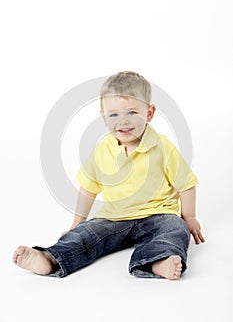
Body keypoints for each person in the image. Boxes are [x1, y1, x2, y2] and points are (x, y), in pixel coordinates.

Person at [13, 71, 205, 280]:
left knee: (175, 229)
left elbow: (186, 184)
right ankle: (50, 258)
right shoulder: (102, 150)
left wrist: (189, 217)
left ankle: (157, 260)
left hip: (158, 214)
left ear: (149, 114)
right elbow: (89, 188)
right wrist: (78, 221)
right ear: (103, 117)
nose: (123, 121)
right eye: (113, 114)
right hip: (114, 218)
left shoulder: (162, 146)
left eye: (132, 112)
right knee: (86, 233)